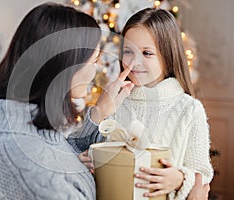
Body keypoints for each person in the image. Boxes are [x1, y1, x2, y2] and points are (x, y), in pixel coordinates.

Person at [0, 3, 133, 200]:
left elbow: (58, 158)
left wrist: (99, 113)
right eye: (94, 60)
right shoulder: (22, 152)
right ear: (65, 66)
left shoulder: (26, 121)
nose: (95, 70)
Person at [74, 8, 213, 199]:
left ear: (168, 55)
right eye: (128, 51)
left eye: (147, 53)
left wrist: (180, 178)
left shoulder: (189, 109)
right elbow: (83, 149)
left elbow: (202, 175)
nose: (135, 62)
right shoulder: (115, 101)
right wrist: (84, 160)